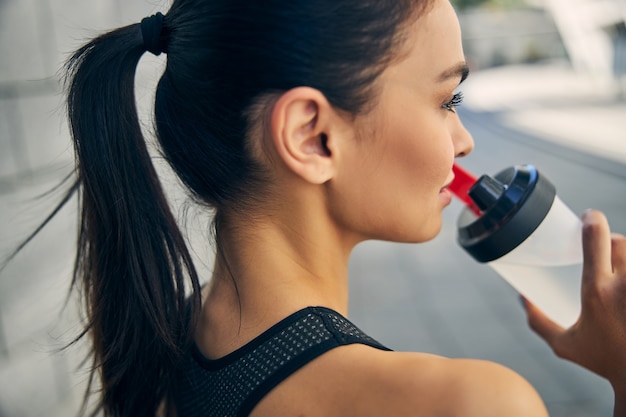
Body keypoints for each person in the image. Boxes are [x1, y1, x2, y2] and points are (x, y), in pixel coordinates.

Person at [51, 0, 626, 416]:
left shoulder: (167, 338)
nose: (464, 142)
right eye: (447, 100)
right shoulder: (468, 405)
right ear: (312, 136)